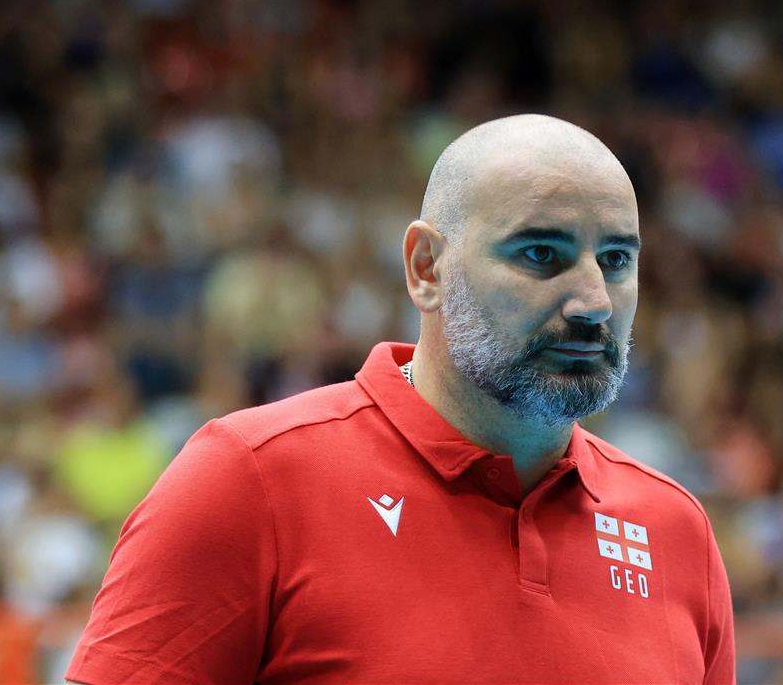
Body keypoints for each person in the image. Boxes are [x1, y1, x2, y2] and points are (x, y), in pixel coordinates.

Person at [66, 115, 736, 684]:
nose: (593, 302)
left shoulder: (676, 531)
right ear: (426, 269)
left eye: (616, 259)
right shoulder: (250, 480)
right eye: (540, 253)